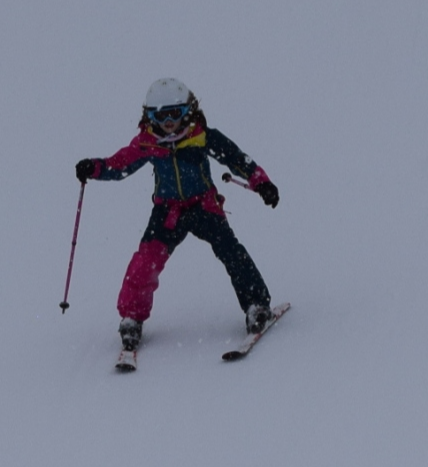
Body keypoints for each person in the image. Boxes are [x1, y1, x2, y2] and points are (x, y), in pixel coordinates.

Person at [75, 78, 279, 353]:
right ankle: (132, 319)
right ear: (149, 117)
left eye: (175, 113)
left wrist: (261, 183)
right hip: (167, 212)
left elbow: (235, 158)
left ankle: (256, 305)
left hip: (203, 207)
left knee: (231, 251)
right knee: (146, 260)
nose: (169, 122)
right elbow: (120, 164)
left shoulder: (202, 136)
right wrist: (95, 168)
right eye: (160, 116)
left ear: (188, 111)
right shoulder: (148, 143)